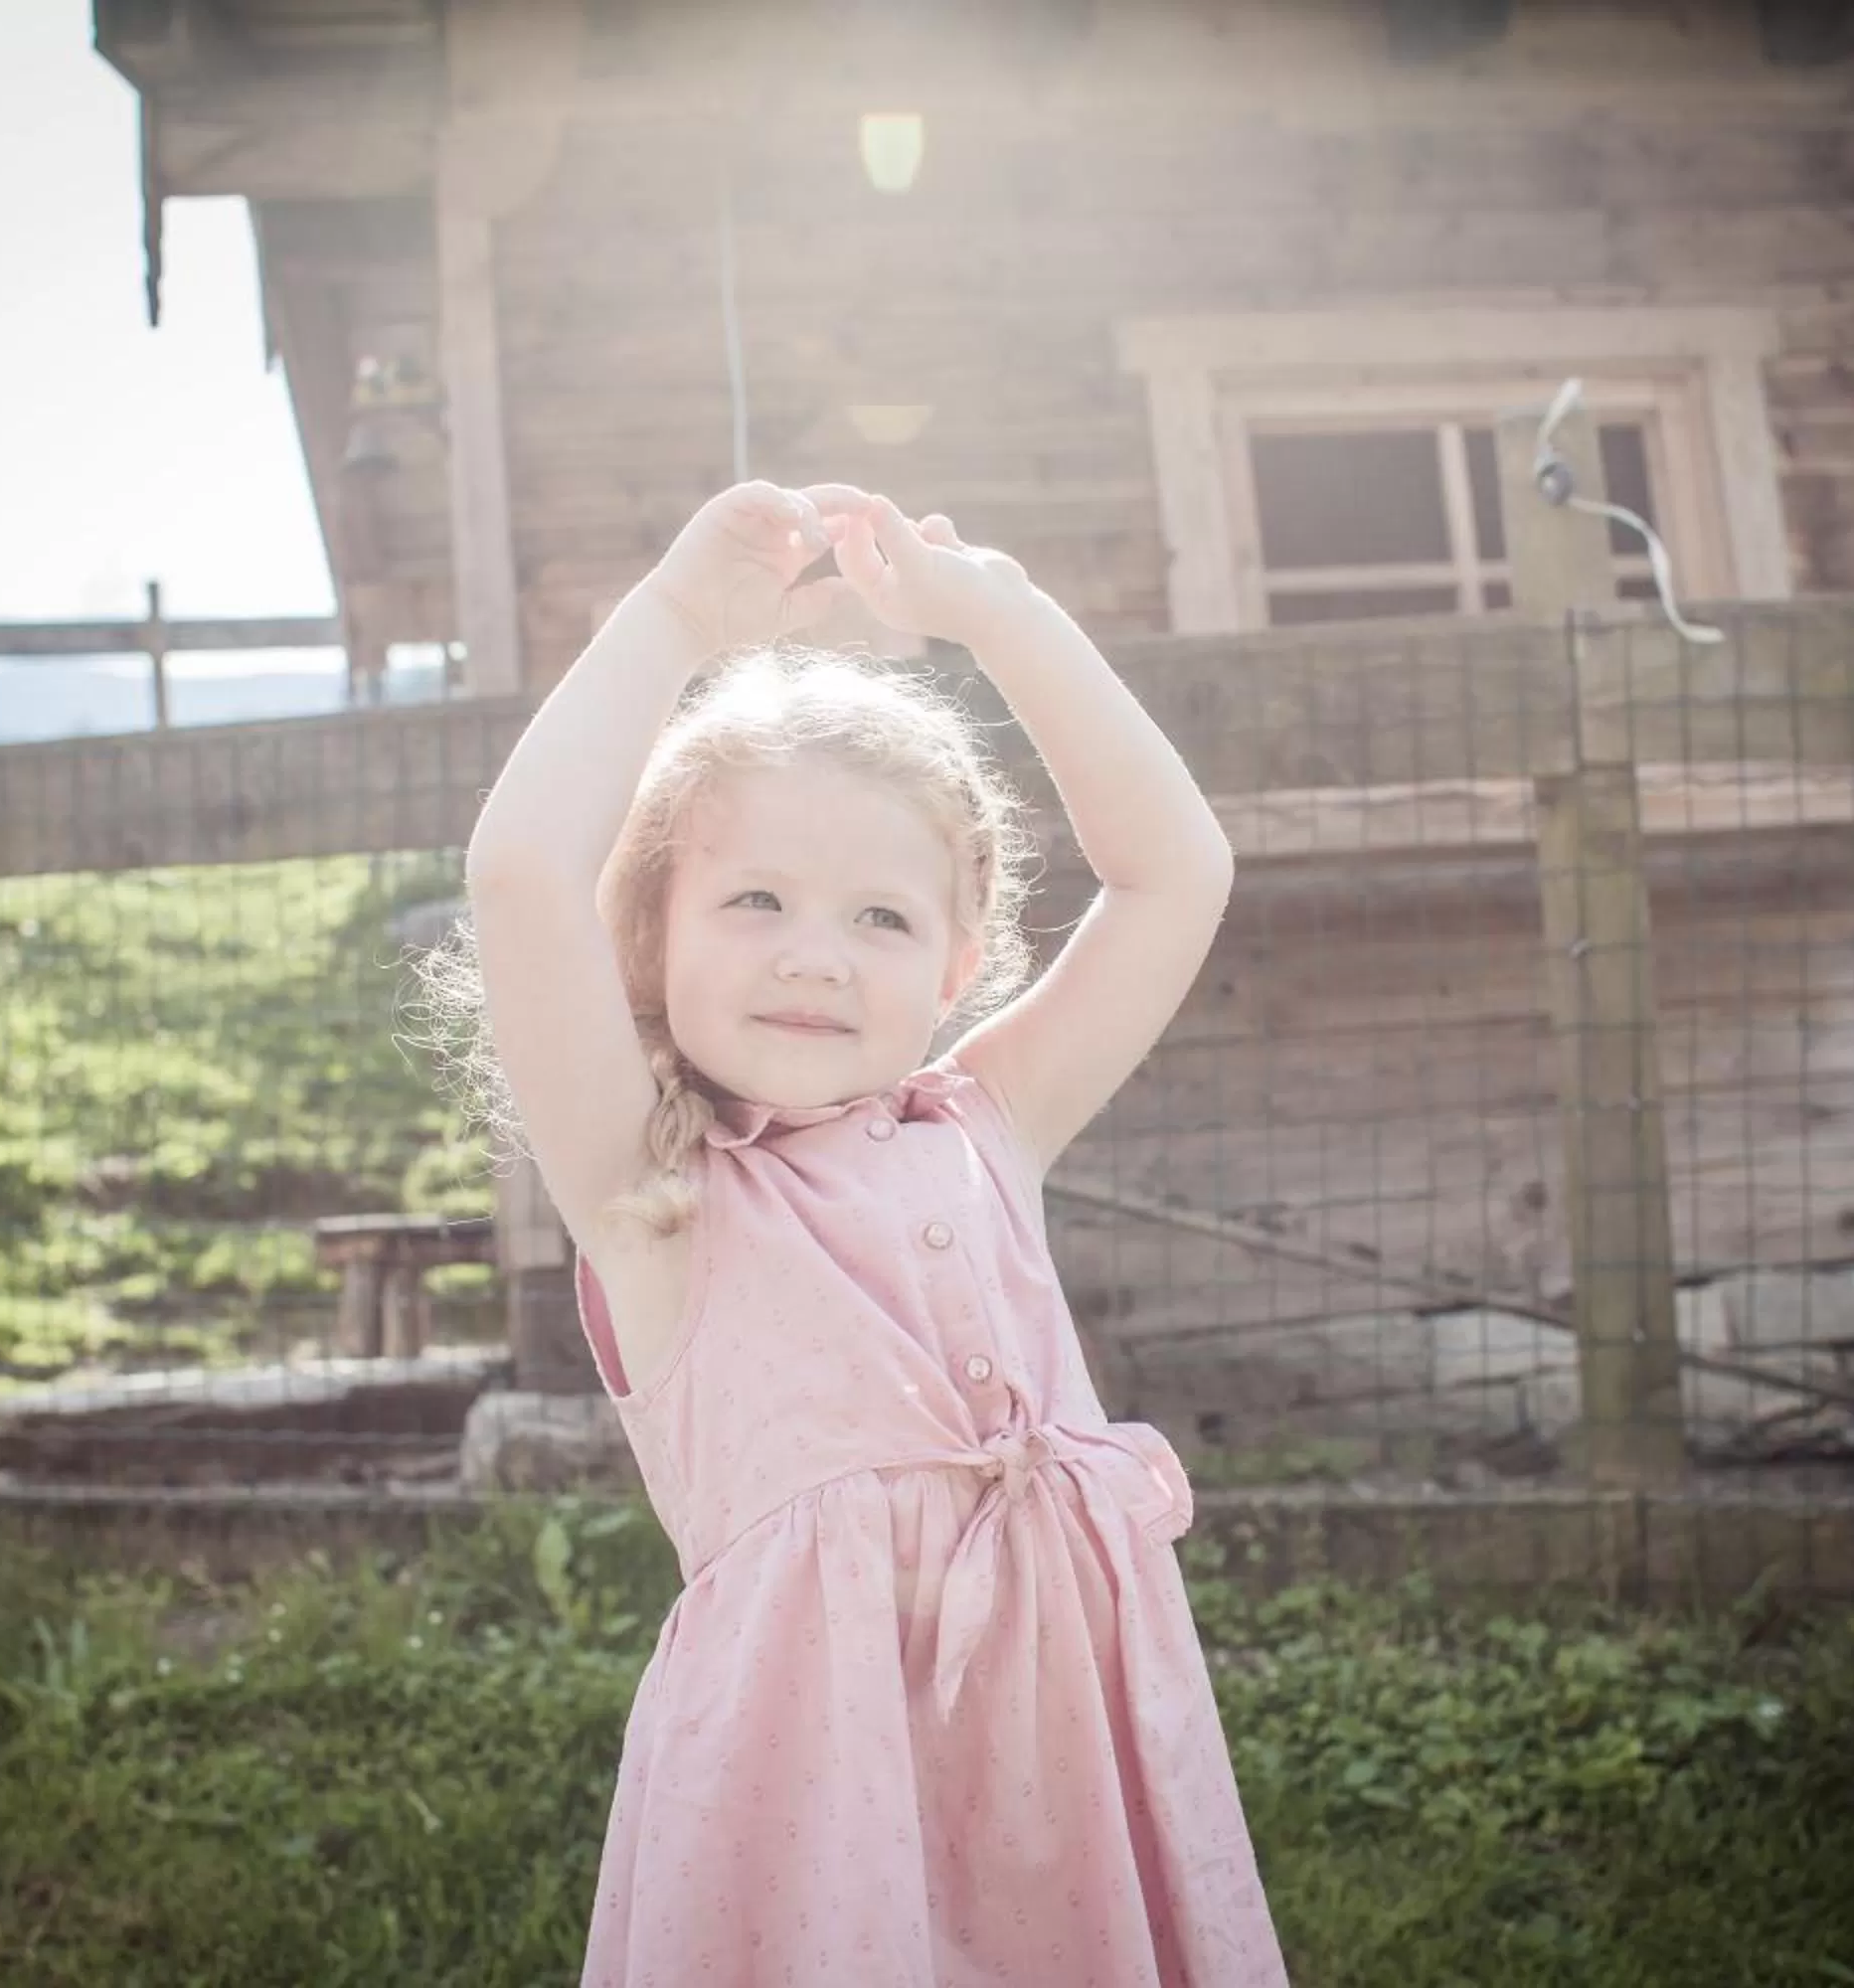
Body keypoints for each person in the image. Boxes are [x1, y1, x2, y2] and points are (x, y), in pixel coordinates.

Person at [433, 478, 1286, 1984]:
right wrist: (677, 624)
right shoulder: (658, 1192)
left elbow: (1175, 872)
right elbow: (517, 878)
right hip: (811, 1800)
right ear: (649, 934)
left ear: (961, 958)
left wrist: (1000, 618)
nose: (815, 958)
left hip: (1074, 1757)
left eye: (881, 919)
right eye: (755, 899)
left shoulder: (989, 1123)